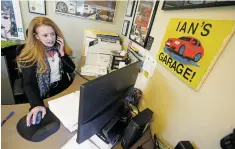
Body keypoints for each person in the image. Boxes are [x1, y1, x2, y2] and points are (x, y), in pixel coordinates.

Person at [16, 17, 75, 127]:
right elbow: (29, 83)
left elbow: (70, 69)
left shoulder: (58, 47)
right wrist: (36, 105)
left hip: (62, 88)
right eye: (45, 35)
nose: (50, 39)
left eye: (53, 34)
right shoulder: (29, 54)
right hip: (43, 94)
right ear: (36, 36)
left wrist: (62, 53)